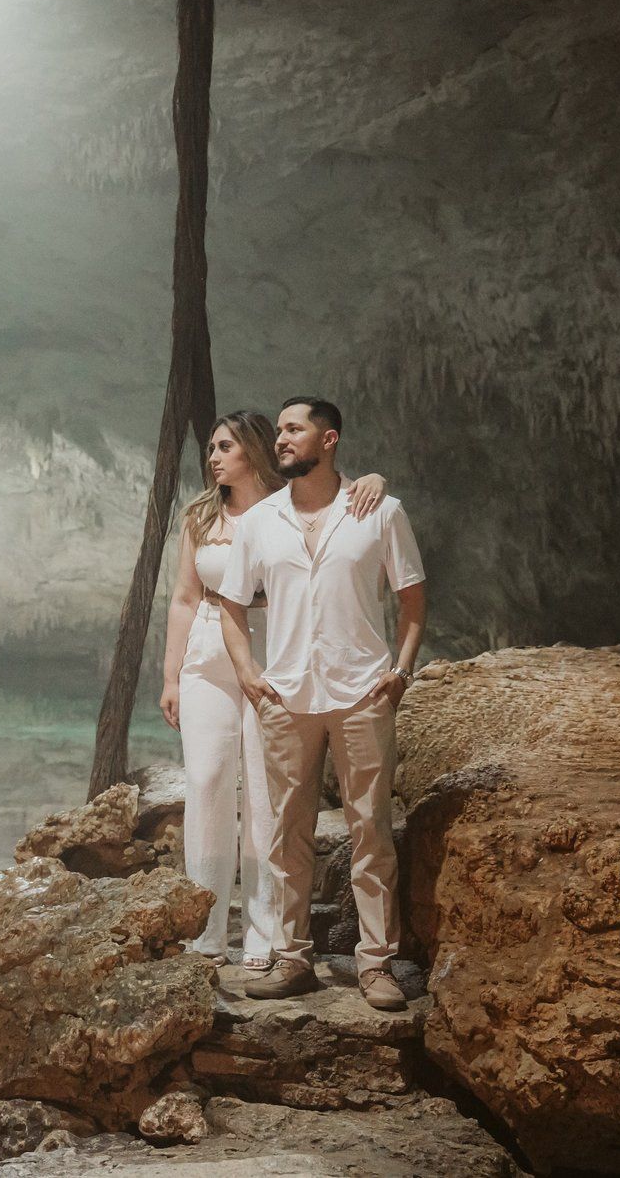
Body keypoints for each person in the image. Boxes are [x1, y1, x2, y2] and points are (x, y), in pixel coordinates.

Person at [216, 396, 426, 1010]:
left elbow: (412, 598)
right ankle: (291, 957)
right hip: (286, 694)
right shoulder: (260, 522)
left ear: (327, 440)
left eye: (292, 429)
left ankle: (377, 963)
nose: (279, 439)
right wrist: (250, 676)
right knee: (287, 832)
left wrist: (401, 671)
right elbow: (231, 605)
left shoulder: (380, 512)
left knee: (371, 830)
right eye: (278, 430)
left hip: (361, 689)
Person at [159, 410, 386, 969]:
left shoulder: (286, 510)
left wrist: (373, 481)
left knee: (267, 793)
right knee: (208, 780)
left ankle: (265, 933)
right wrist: (170, 677)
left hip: (272, 648)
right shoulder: (199, 516)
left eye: (223, 446)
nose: (212, 457)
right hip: (209, 651)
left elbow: (342, 496)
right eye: (210, 447)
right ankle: (206, 932)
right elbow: (185, 599)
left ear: (253, 451)